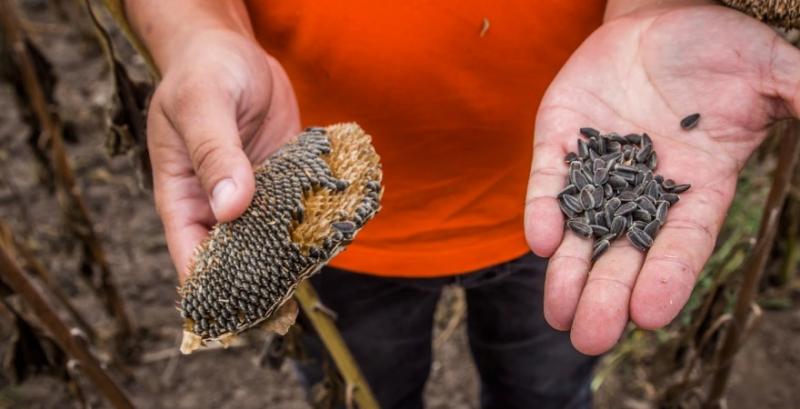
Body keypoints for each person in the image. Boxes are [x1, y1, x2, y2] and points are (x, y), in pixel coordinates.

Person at [126, 1, 800, 408]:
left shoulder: (603, 186)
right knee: (369, 393)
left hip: (553, 210)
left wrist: (653, 10)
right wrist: (195, 34)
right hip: (320, 210)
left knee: (544, 393)